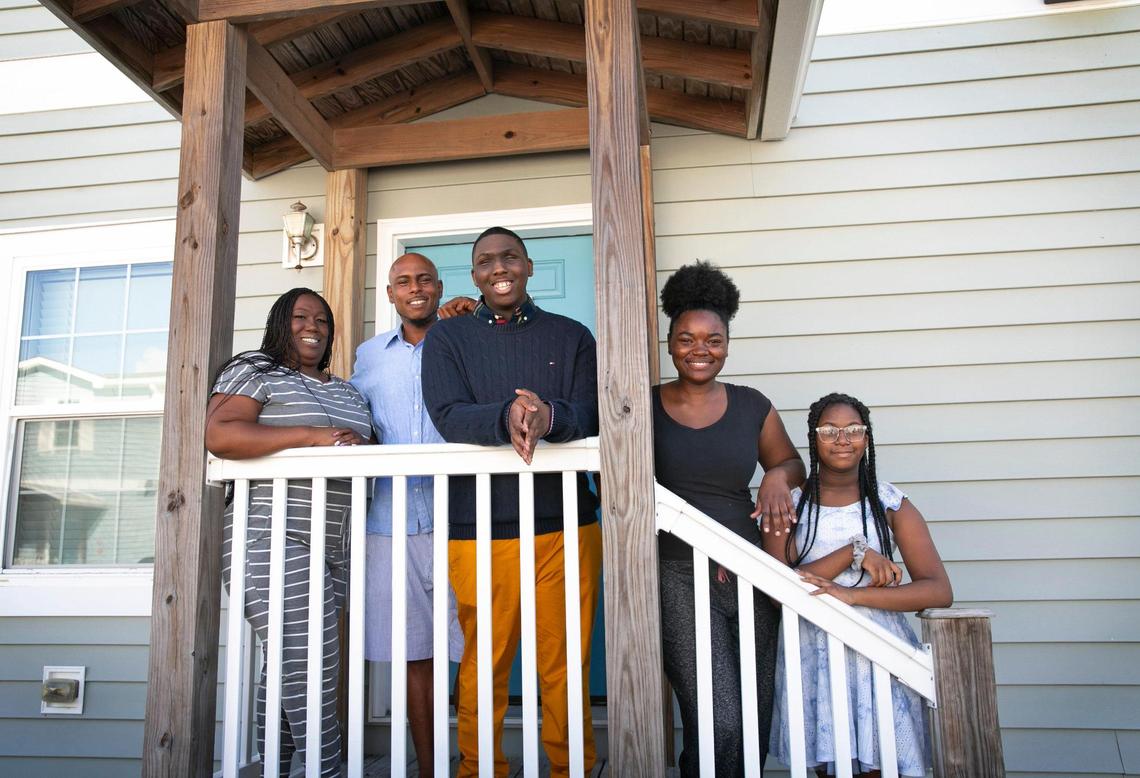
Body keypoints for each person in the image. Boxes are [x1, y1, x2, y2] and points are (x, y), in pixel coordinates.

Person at [421, 226, 602, 778]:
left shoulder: (571, 335)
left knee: (564, 661)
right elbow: (448, 414)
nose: (498, 268)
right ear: (474, 275)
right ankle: (479, 768)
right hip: (478, 527)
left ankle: (573, 766)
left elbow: (592, 410)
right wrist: (509, 415)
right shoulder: (448, 339)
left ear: (527, 266)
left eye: (509, 258)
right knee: (485, 663)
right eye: (484, 262)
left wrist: (550, 416)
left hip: (567, 524)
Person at [206, 288, 372, 778]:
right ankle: (329, 770)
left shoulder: (346, 390)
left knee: (290, 662)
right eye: (301, 316)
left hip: (335, 544)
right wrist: (312, 437)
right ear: (281, 321)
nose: (313, 327)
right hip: (271, 534)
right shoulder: (255, 372)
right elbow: (221, 434)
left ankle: (275, 768)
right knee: (311, 661)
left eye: (322, 319)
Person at [654, 261, 805, 777]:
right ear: (670, 342)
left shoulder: (752, 406)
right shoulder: (644, 406)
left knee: (754, 715)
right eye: (687, 338)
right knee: (717, 718)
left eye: (713, 340)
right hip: (677, 573)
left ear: (728, 342)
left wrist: (779, 477)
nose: (700, 350)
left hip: (752, 571)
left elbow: (790, 462)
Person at [766, 392, 953, 777]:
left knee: (881, 765)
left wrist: (853, 595)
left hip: (879, 654)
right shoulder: (790, 506)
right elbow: (776, 587)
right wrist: (854, 552)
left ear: (866, 438)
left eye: (853, 429)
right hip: (813, 654)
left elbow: (938, 590)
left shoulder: (890, 503)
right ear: (813, 439)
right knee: (828, 767)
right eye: (829, 430)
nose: (842, 439)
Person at [348, 253, 468, 776]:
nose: (414, 288)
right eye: (403, 282)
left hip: (462, 515)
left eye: (424, 280)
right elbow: (358, 417)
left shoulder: (465, 337)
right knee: (414, 653)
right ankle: (428, 766)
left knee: (473, 645)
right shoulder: (369, 355)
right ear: (391, 293)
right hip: (390, 521)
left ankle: (473, 756)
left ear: (439, 288)